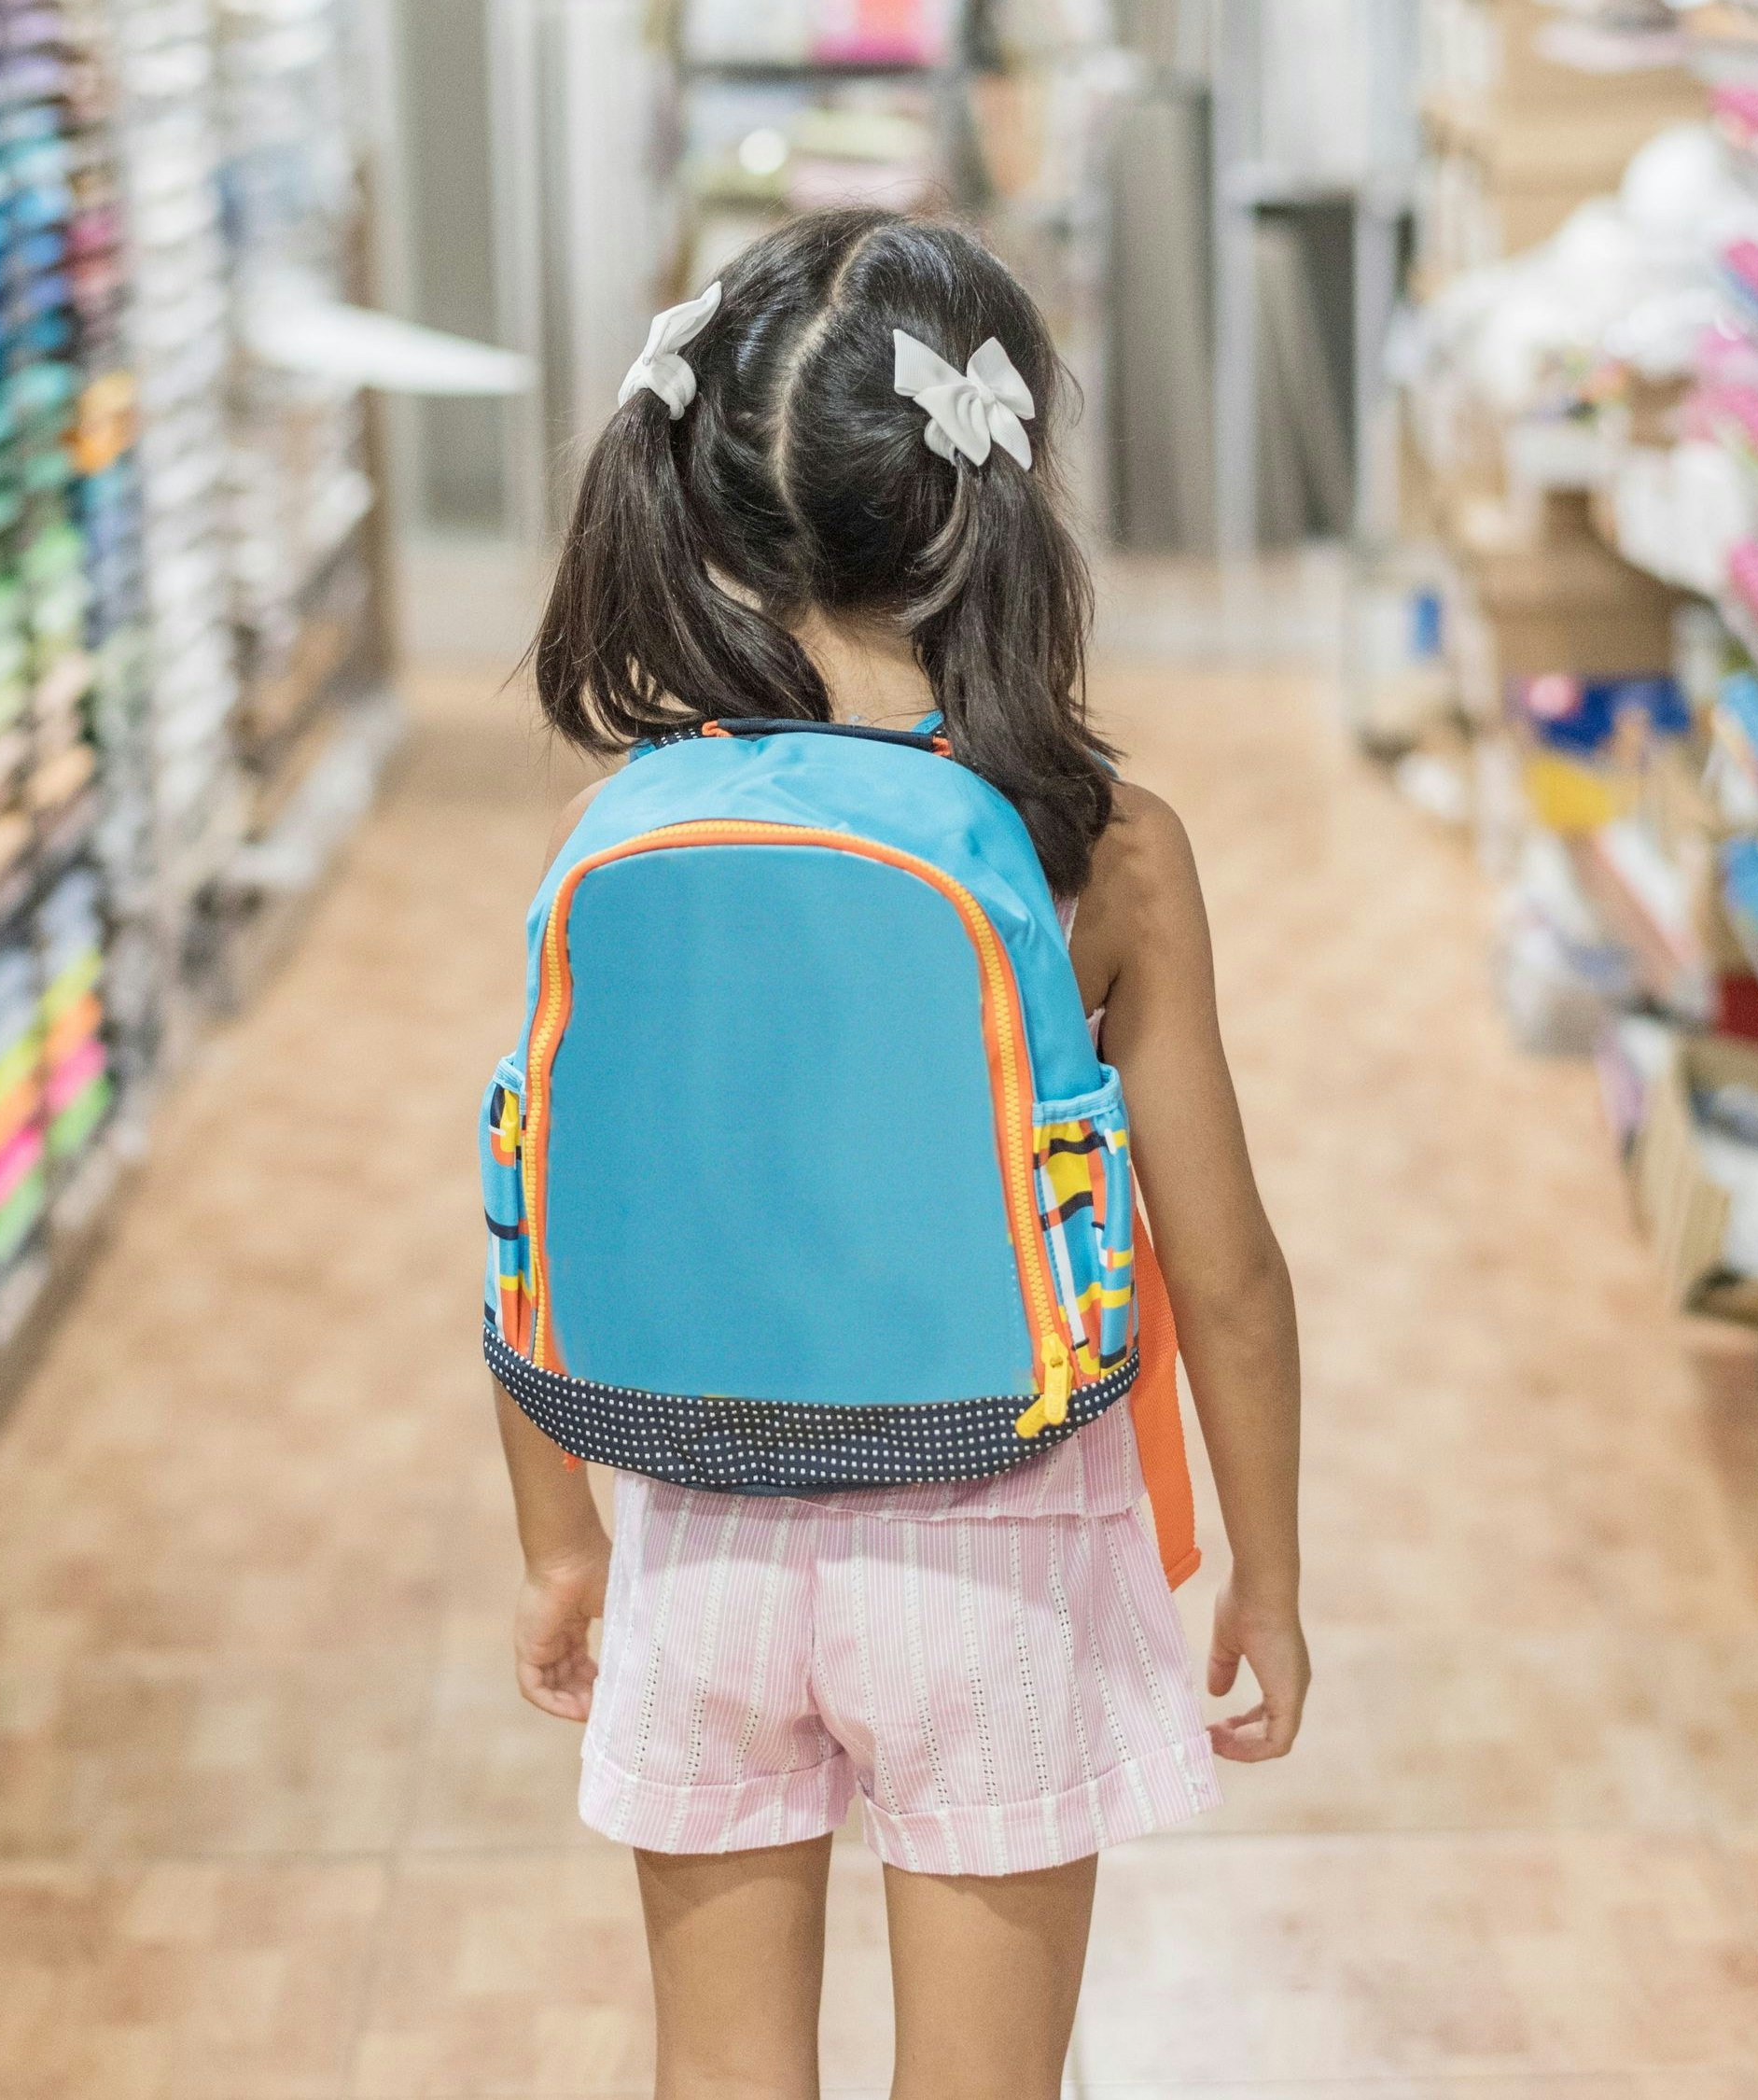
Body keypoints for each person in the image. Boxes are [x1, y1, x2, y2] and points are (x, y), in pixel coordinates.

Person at [491, 206, 1308, 2100]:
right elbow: (1230, 1273)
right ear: (991, 504)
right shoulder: (1098, 845)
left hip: (694, 1525)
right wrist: (1263, 1574)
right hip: (999, 1550)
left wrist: (554, 1540)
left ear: (691, 504)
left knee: (719, 2077)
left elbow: (543, 1189)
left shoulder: (626, 819)